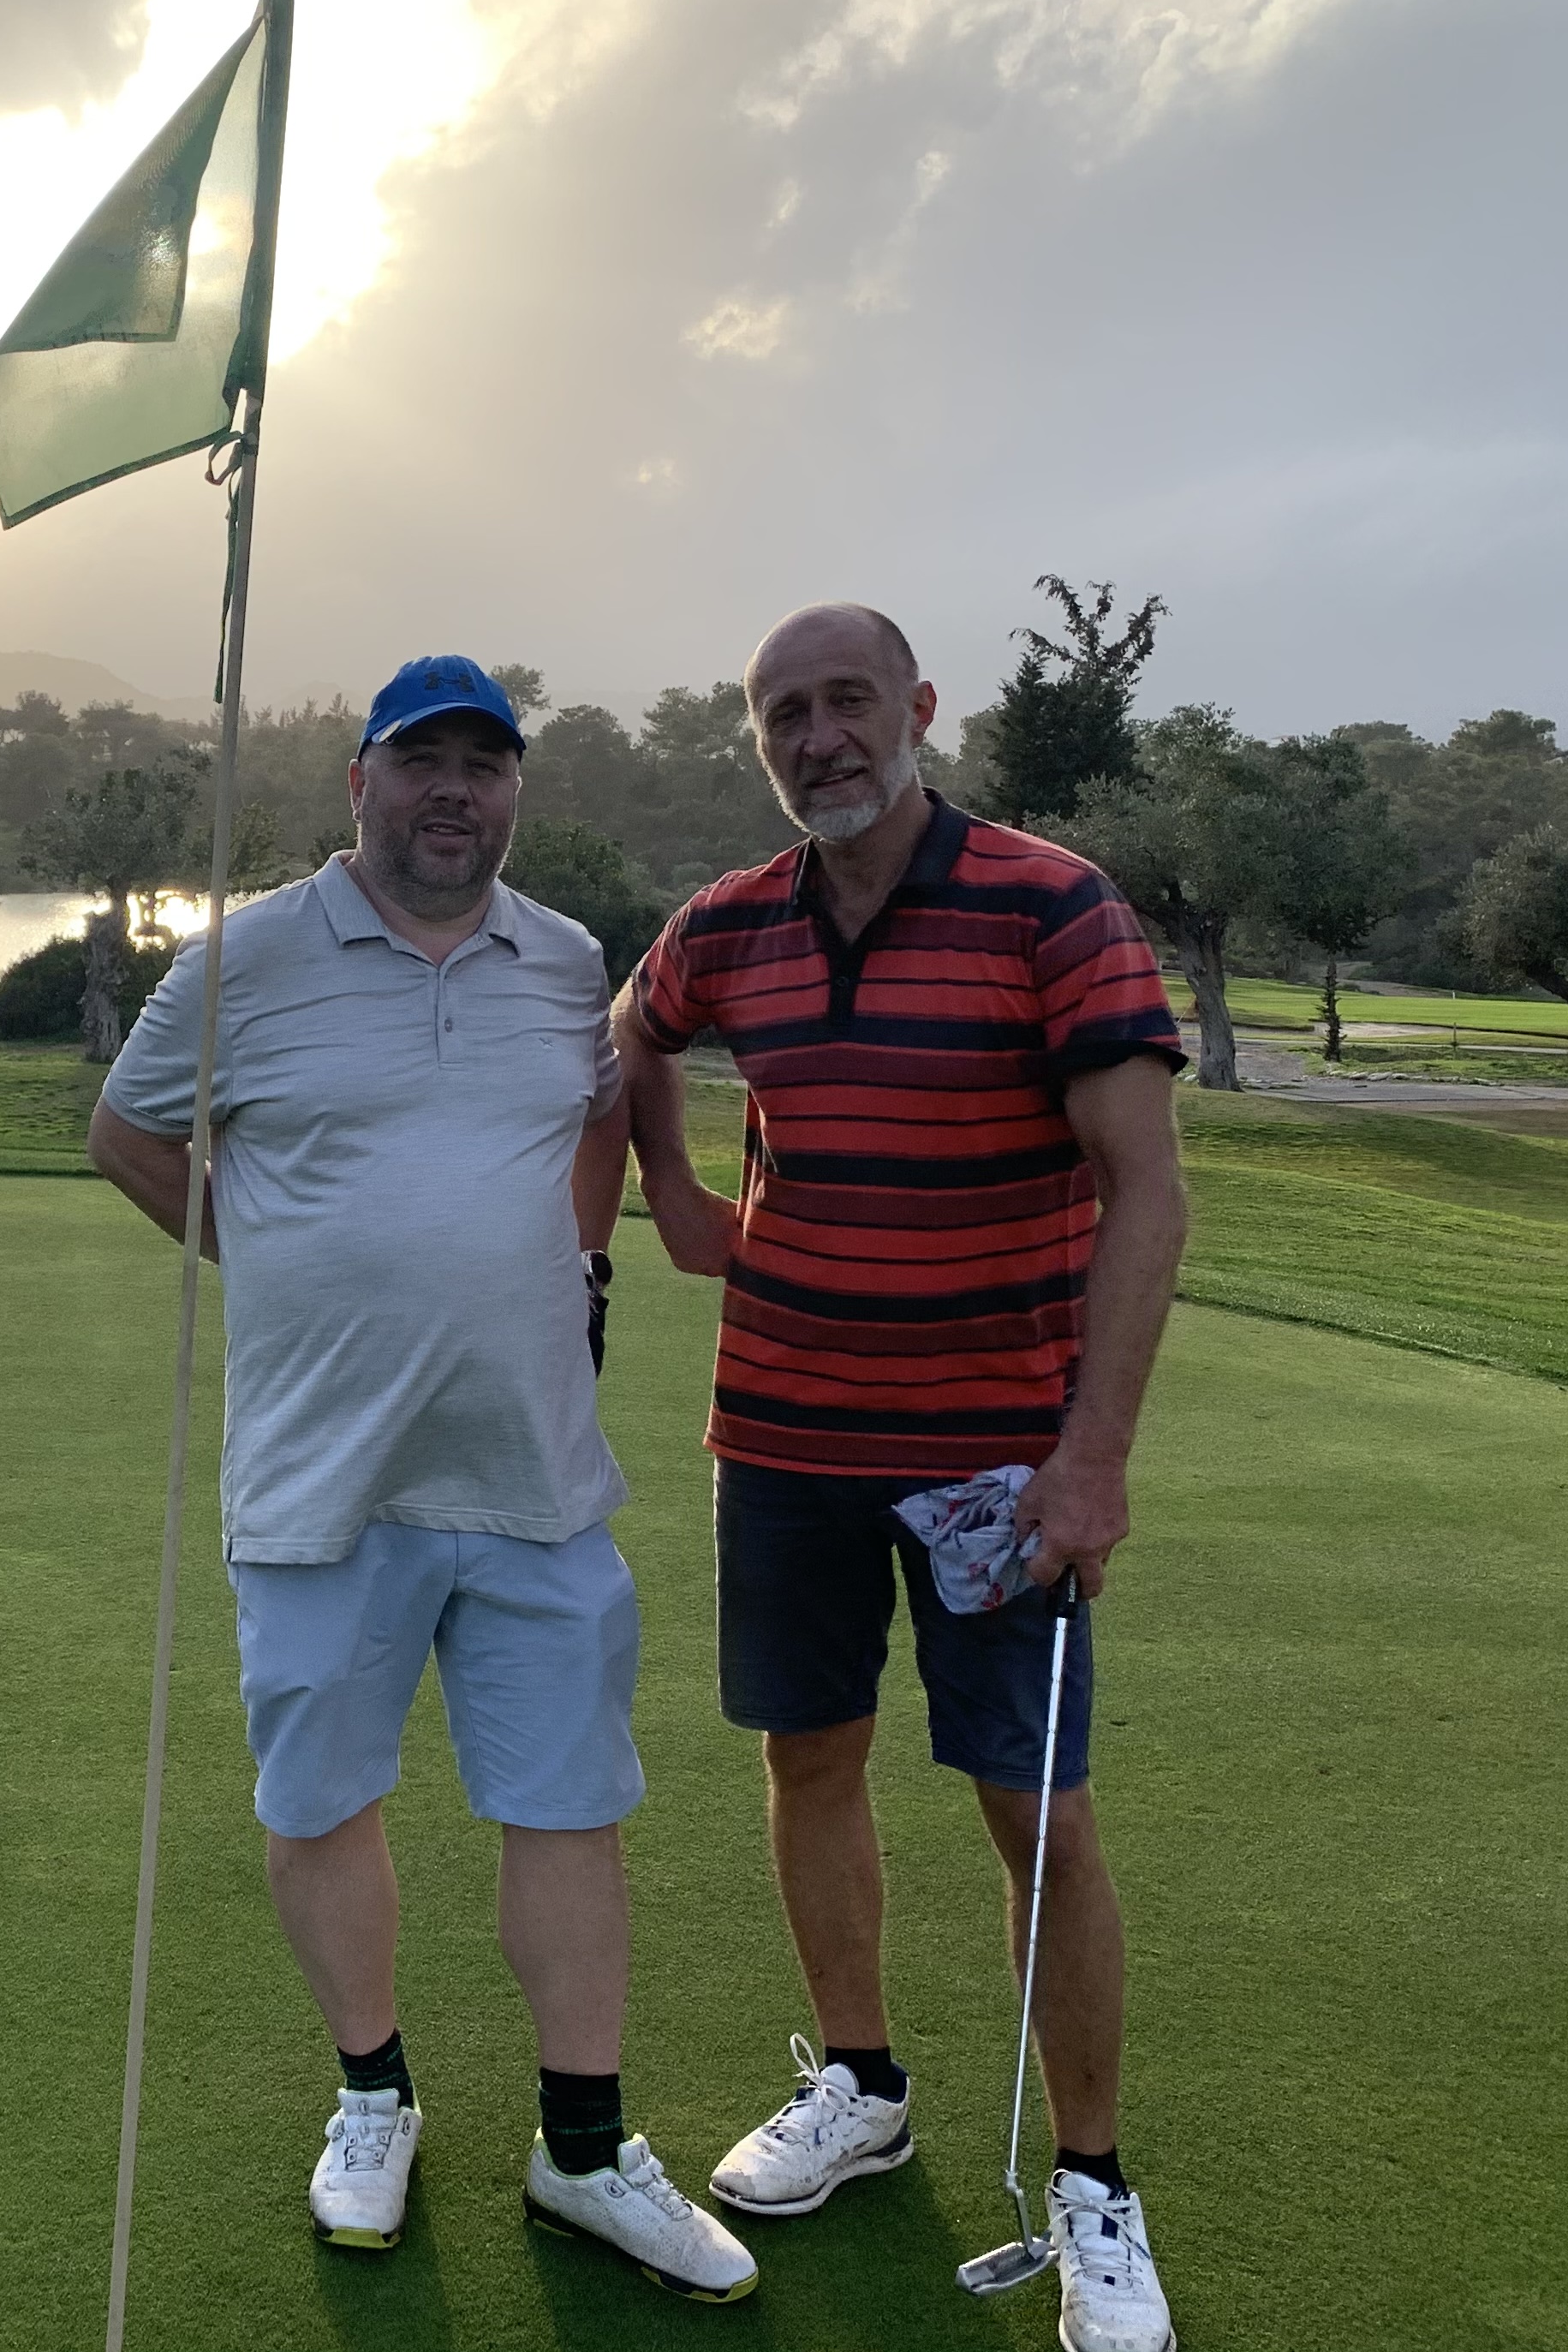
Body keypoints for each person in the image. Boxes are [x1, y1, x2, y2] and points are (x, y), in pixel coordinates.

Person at [90, 654, 757, 2301]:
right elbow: (129, 1133)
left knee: (571, 1806)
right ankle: (373, 2095)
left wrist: (582, 1260)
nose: (454, 789)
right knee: (322, 1802)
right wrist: (275, 1252)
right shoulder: (243, 960)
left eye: (485, 762)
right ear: (361, 783)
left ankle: (583, 2149)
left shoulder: (567, 960)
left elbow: (601, 1106)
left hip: (533, 1474)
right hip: (323, 1483)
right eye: (421, 759)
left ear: (514, 788)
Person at [610, 604, 1189, 2352]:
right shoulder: (733, 923)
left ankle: (1093, 2185)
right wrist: (677, 1194)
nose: (820, 737)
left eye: (848, 699)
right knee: (810, 1758)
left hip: (996, 1464)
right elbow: (635, 1029)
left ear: (921, 707)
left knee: (1036, 1811)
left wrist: (1093, 1458)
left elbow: (1148, 1192)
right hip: (783, 1437)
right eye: (784, 714)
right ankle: (860, 2085)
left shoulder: (1051, 905)